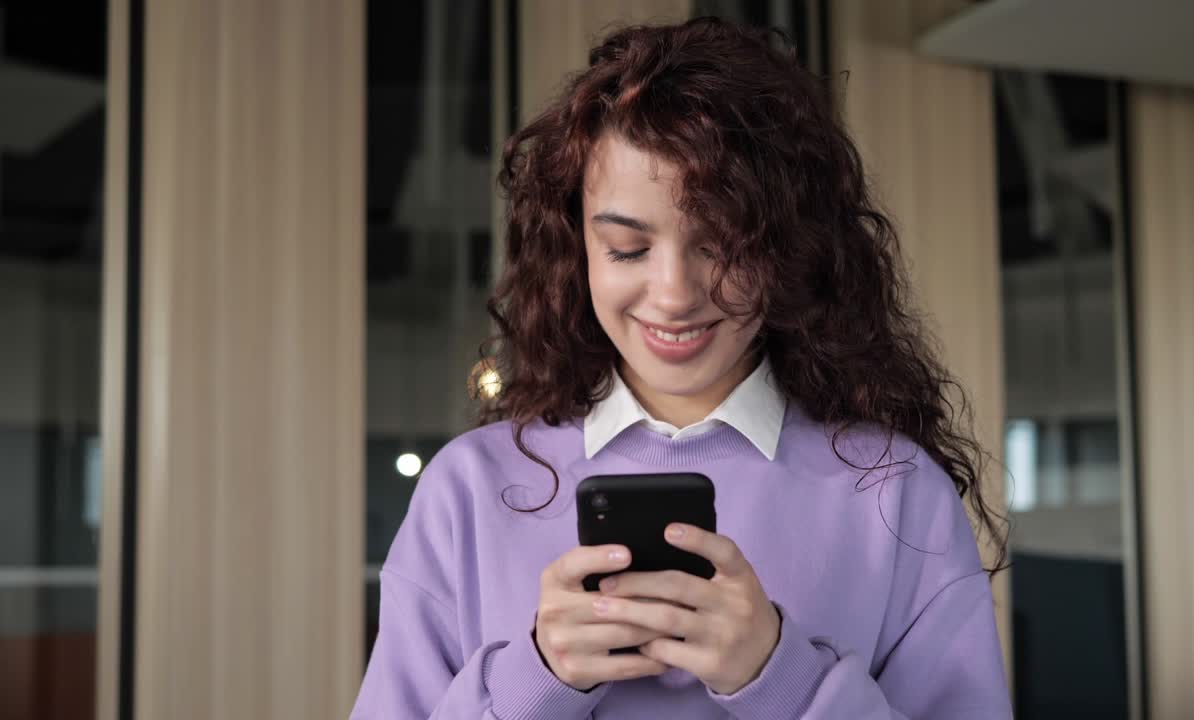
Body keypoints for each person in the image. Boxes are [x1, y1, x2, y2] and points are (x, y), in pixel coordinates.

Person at [350, 16, 1012, 720]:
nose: (673, 296)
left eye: (721, 246)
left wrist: (784, 677)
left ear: (790, 248)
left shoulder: (896, 492)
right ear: (576, 251)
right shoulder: (468, 491)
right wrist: (535, 679)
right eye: (628, 250)